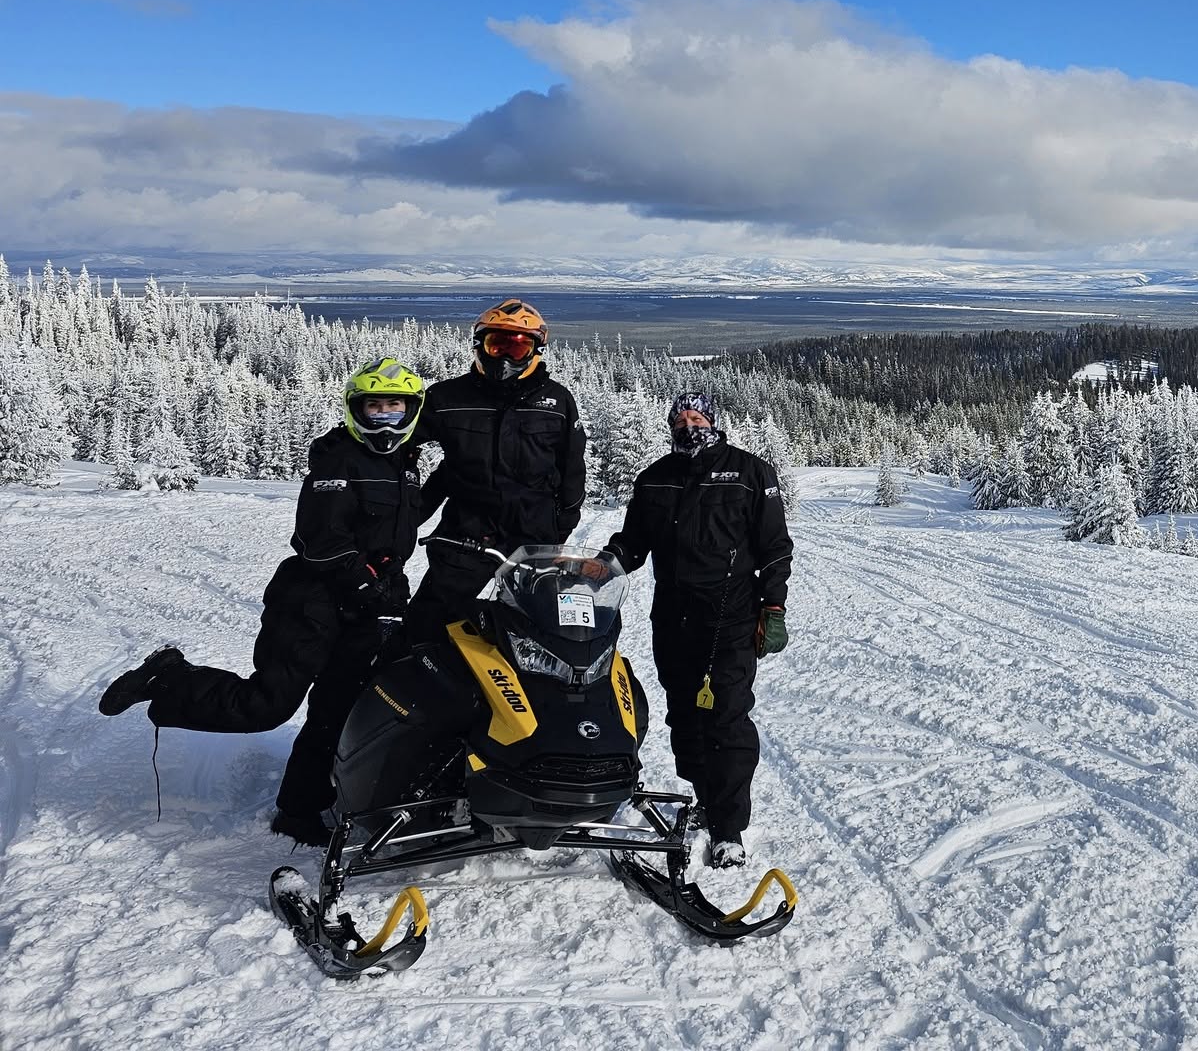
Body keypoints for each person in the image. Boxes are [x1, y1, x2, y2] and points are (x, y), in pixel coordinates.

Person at [98, 358, 428, 847]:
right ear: (355, 409)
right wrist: (365, 584)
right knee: (267, 705)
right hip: (312, 600)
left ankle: (299, 808)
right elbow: (320, 540)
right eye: (373, 407)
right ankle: (169, 677)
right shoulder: (336, 460)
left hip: (367, 604)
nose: (383, 419)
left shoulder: (405, 467)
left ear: (411, 412)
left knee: (336, 710)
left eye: (393, 408)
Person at [605, 392, 792, 868]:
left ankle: (729, 828)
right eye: (680, 419)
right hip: (672, 616)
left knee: (726, 718)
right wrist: (596, 569)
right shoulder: (656, 478)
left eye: (698, 417)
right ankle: (704, 798)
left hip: (730, 617)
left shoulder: (750, 473)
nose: (689, 426)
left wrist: (773, 606)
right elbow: (633, 543)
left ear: (714, 421)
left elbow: (773, 546)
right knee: (684, 718)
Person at [404, 298, 587, 640]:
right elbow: (397, 437)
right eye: (497, 344)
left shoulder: (557, 402)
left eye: (518, 348)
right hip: (466, 533)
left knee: (542, 633)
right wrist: (344, 448)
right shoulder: (448, 398)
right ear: (480, 345)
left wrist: (561, 524)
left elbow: (572, 467)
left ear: (536, 351)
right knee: (428, 625)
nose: (505, 355)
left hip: (535, 537)